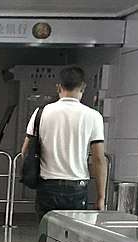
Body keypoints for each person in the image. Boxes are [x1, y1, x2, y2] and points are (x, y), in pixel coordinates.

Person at [20, 64, 107, 214]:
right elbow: (98, 159)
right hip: (77, 188)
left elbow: (25, 151)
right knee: (73, 229)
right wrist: (101, 197)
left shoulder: (40, 113)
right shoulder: (93, 116)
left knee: (47, 227)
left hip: (47, 186)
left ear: (58, 87)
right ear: (83, 87)